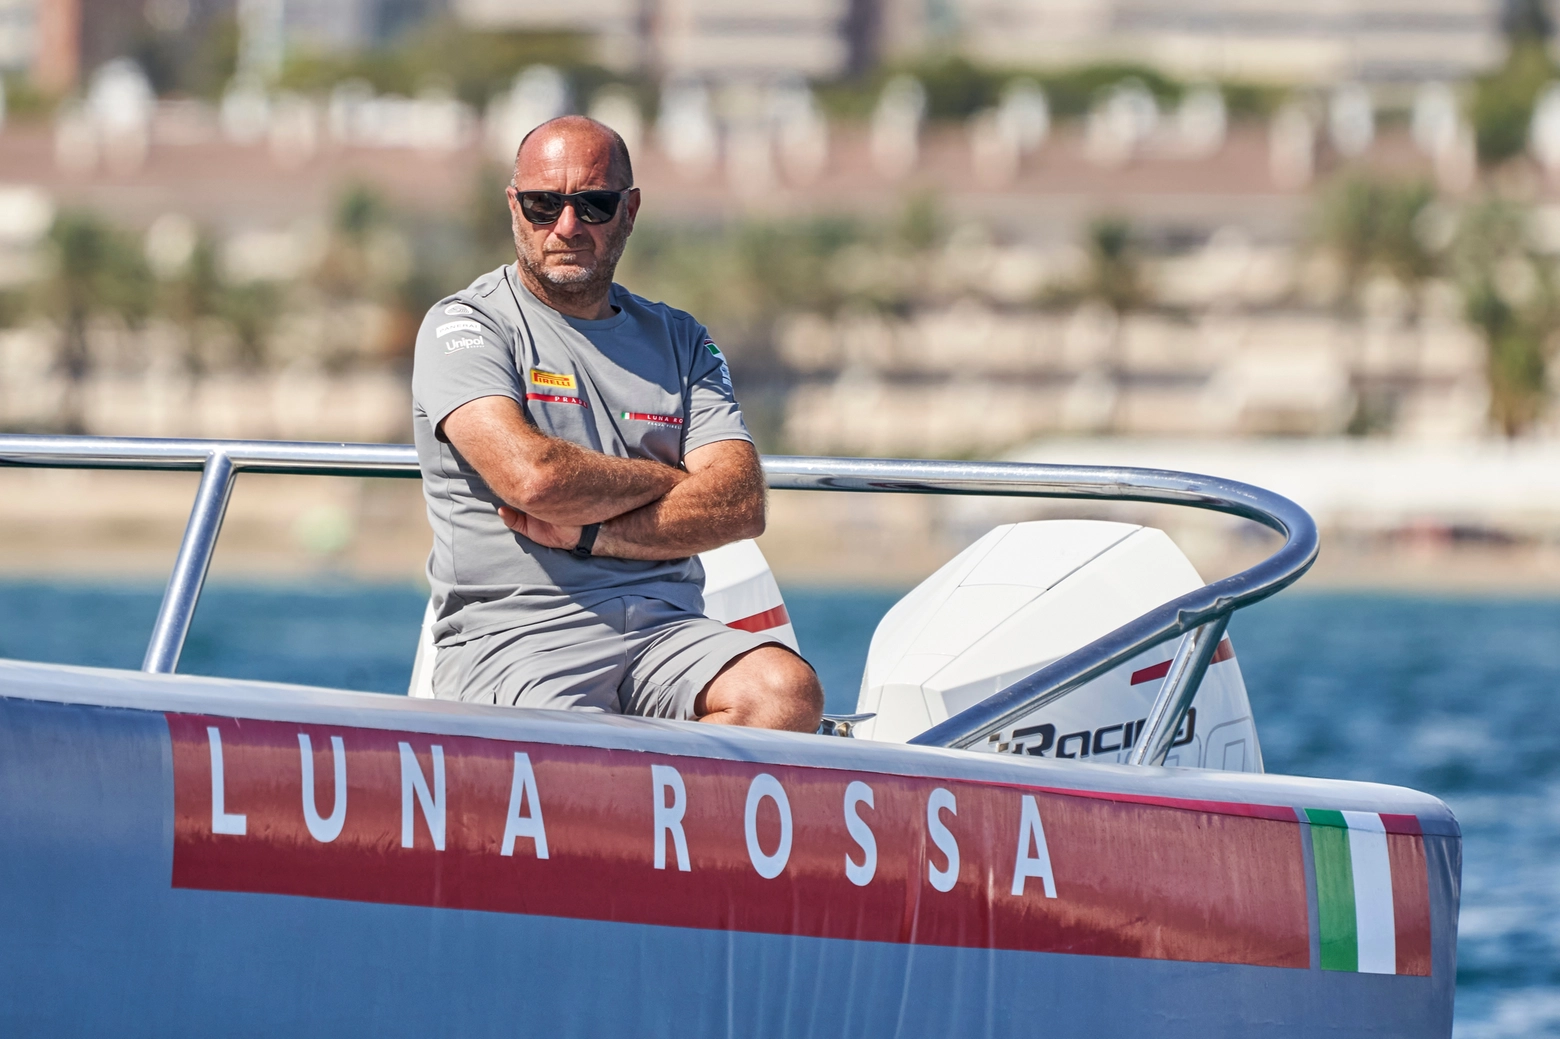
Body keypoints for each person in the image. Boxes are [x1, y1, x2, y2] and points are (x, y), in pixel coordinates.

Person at [410, 115, 823, 731]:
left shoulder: (681, 338)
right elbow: (536, 481)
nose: (566, 226)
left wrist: (587, 536)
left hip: (667, 634)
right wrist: (671, 478)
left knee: (785, 693)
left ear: (629, 210)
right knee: (573, 752)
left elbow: (740, 503)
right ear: (514, 207)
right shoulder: (464, 327)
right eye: (543, 204)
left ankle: (665, 822)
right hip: (519, 641)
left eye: (593, 205)